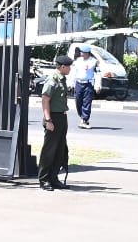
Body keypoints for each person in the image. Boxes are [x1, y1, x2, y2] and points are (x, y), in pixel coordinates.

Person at [39, 54, 73, 191]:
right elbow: (45, 100)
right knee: (49, 151)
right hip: (53, 117)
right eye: (69, 66)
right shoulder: (52, 80)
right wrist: (48, 120)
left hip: (61, 117)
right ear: (63, 67)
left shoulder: (62, 79)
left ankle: (54, 178)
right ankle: (44, 180)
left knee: (60, 150)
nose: (70, 69)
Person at [70, 46, 99, 129]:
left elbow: (98, 74)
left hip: (88, 84)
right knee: (78, 101)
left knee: (87, 102)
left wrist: (97, 85)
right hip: (79, 83)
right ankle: (82, 117)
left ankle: (85, 120)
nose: (81, 53)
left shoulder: (93, 62)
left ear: (87, 53)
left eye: (82, 52)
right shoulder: (78, 61)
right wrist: (71, 83)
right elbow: (73, 72)